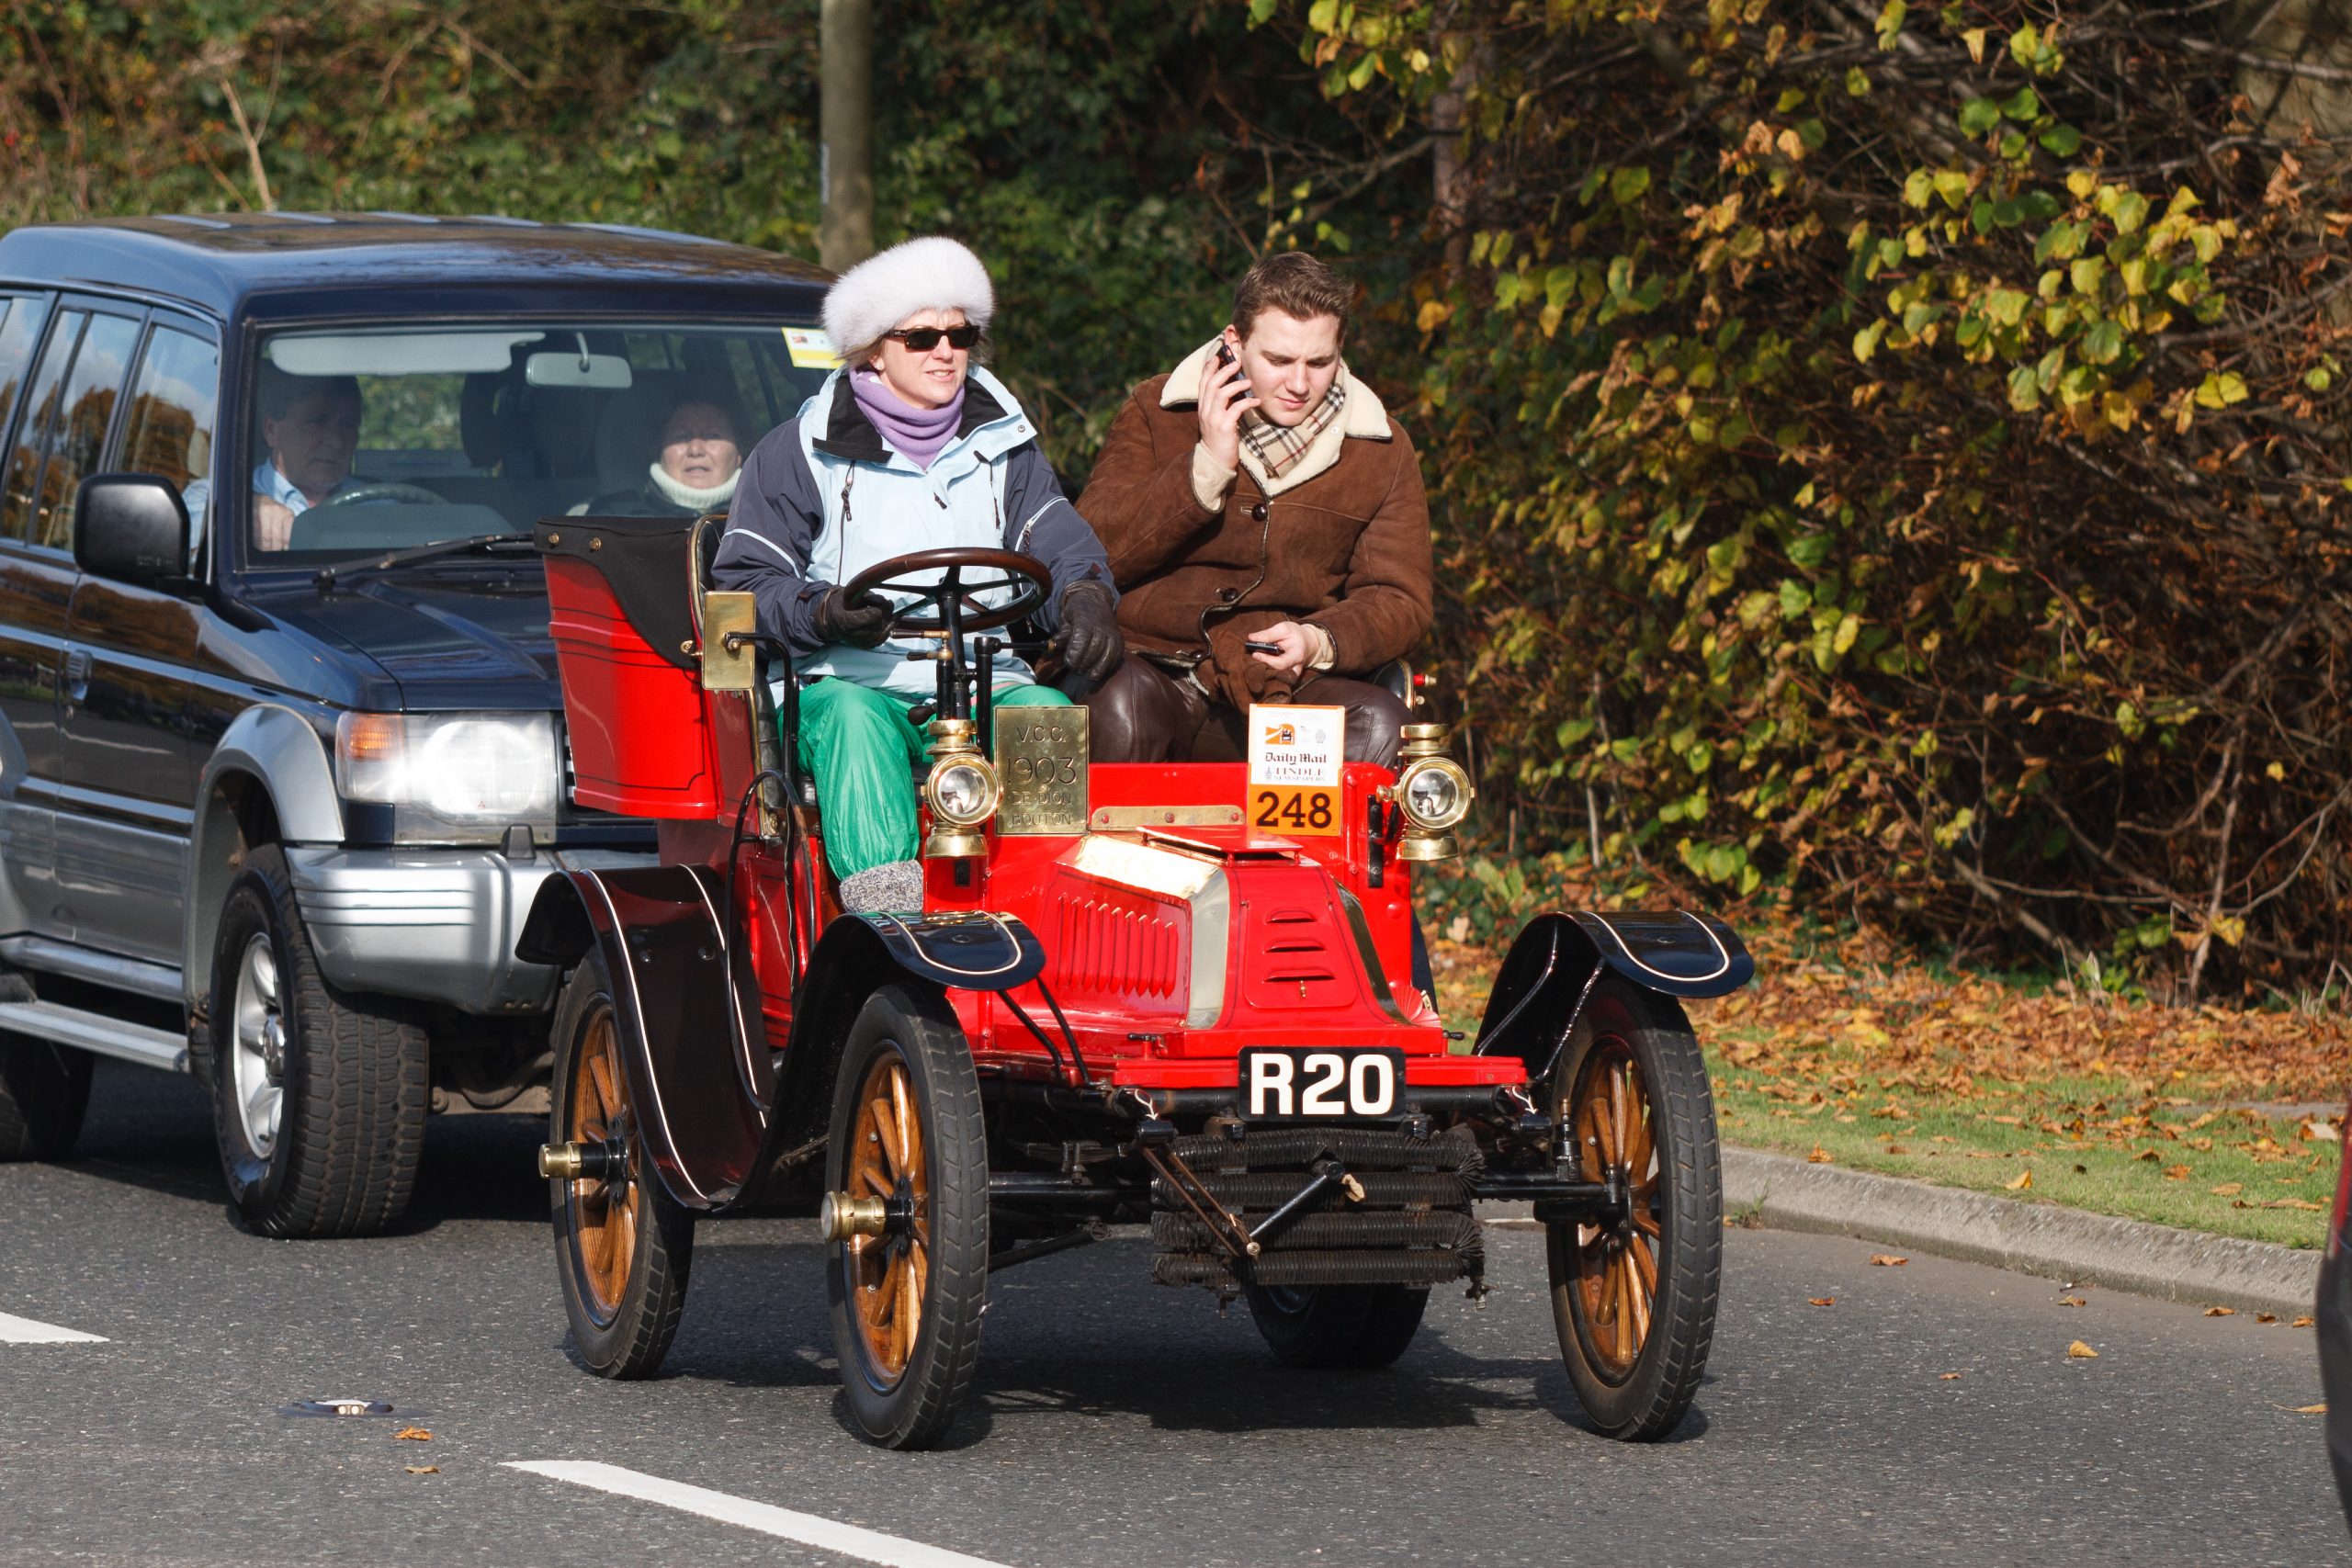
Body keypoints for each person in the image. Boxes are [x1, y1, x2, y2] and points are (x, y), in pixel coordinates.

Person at [710, 235, 1124, 913]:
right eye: (923, 335)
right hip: (847, 681)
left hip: (984, 679)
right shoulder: (797, 451)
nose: (946, 350)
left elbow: (1058, 540)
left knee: (1046, 714)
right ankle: (887, 924)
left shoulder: (1004, 446)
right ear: (874, 348)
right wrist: (824, 611)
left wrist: (1083, 595)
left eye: (961, 334)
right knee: (851, 718)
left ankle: (1042, 908)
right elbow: (746, 586)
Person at [1076, 251, 1431, 768]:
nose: (1299, 384)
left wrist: (1318, 639)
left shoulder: (1381, 447)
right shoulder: (1158, 410)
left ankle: (1291, 852)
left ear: (1341, 349)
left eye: (1319, 361)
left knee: (1380, 725)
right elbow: (1093, 551)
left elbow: (1400, 599)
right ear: (1235, 343)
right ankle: (1116, 850)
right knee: (1121, 708)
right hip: (1155, 669)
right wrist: (1205, 468)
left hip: (1284, 686)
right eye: (1280, 361)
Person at [248, 367, 365, 551]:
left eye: (348, 425)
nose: (336, 441)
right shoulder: (220, 499)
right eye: (318, 422)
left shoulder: (380, 506)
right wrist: (242, 511)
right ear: (271, 430)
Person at [571, 397, 747, 517]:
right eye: (682, 437)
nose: (695, 450)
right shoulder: (612, 518)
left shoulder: (765, 520)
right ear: (658, 450)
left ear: (739, 453)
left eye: (713, 436)